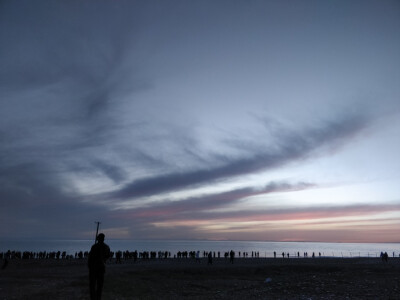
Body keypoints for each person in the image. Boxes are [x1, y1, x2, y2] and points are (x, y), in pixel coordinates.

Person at [88, 233, 111, 300]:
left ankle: (93, 298)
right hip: (100, 267)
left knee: (93, 285)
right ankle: (98, 298)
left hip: (94, 268)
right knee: (99, 285)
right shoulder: (106, 247)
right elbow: (108, 256)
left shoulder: (94, 246)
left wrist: (89, 266)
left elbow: (90, 257)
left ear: (98, 239)